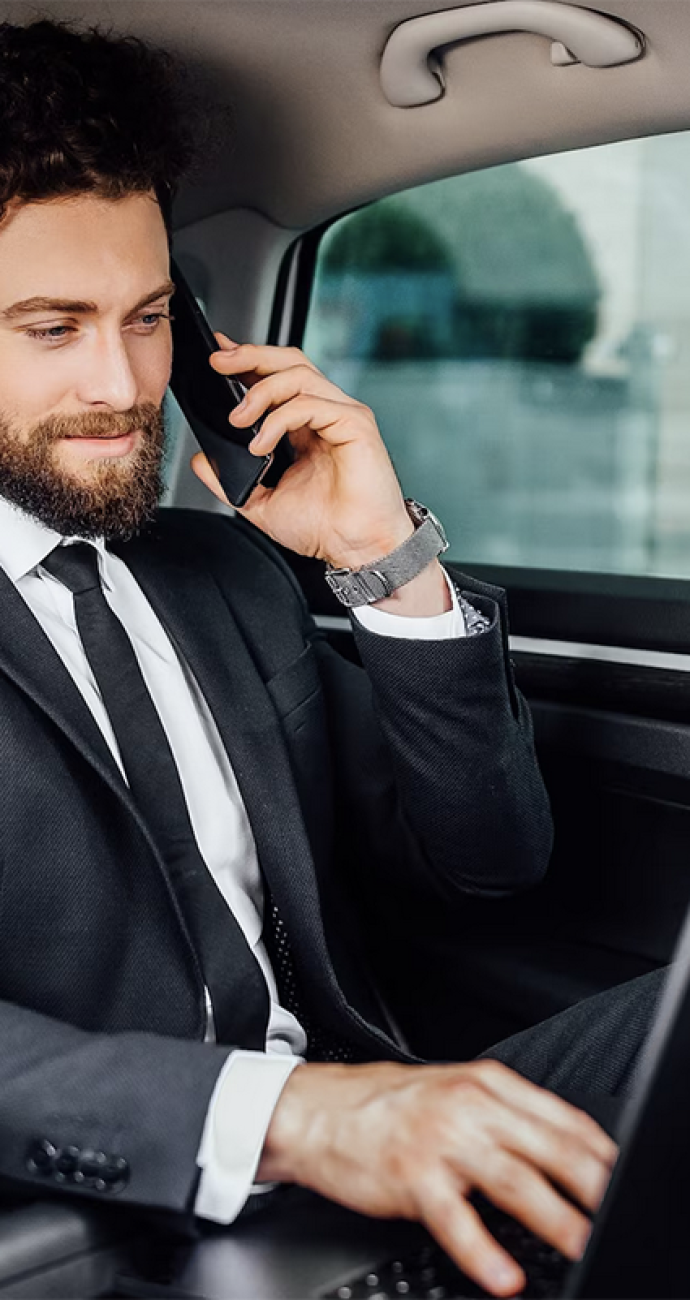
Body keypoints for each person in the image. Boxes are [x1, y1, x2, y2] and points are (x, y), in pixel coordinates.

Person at [0, 18, 666, 1299]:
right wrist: (290, 1118)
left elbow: (489, 864)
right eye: (51, 326)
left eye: (149, 317)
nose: (124, 380)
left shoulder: (222, 579)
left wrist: (383, 559)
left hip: (364, 1165)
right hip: (86, 1231)